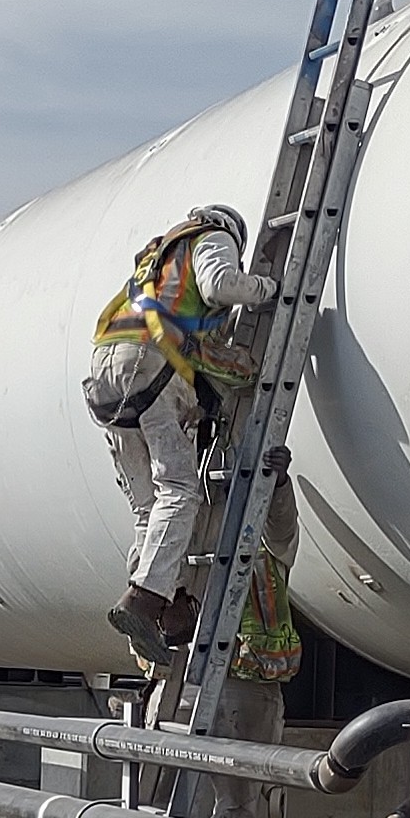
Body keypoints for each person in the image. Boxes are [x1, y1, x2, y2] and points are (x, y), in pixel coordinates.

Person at [84, 204, 277, 665]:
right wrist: (267, 289)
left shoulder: (156, 259)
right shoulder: (212, 236)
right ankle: (147, 600)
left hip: (104, 374)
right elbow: (220, 283)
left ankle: (158, 615)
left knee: (149, 508)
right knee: (181, 490)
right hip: (149, 363)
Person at [203, 443, 302, 818]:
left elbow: (282, 530)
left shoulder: (262, 542)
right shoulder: (189, 525)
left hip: (249, 680)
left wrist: (279, 483)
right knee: (158, 790)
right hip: (192, 675)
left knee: (239, 800)